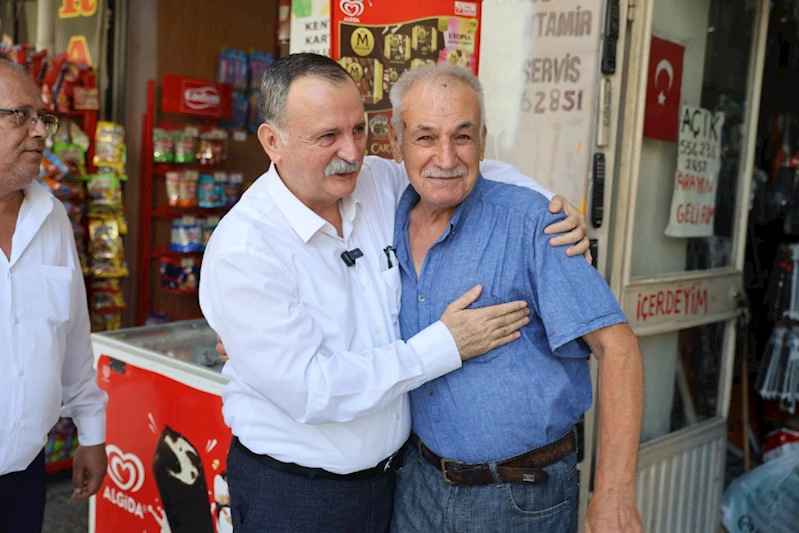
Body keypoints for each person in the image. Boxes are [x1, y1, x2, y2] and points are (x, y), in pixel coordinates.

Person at [200, 53, 588, 533]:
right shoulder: (246, 249)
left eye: (358, 130)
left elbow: (456, 169)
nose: (351, 151)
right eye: (328, 136)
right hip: (297, 496)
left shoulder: (374, 182)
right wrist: (444, 345)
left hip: (395, 483)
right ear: (271, 141)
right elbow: (313, 390)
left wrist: (551, 208)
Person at [386, 64, 644, 533]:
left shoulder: (533, 222)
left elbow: (619, 348)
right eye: (425, 137)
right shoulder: (385, 222)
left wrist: (613, 493)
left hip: (520, 499)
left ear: (483, 140)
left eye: (462, 137)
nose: (446, 157)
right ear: (396, 140)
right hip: (416, 489)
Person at [0, 59, 108, 532]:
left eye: (44, 117)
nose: (41, 131)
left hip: (26, 471)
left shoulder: (52, 218)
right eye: (21, 115)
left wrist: (92, 431)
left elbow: (73, 336)